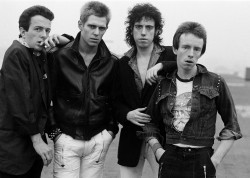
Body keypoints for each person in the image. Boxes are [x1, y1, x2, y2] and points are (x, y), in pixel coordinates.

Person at [141, 21, 242, 178]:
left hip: (202, 160)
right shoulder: (163, 84)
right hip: (169, 157)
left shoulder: (216, 82)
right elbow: (149, 124)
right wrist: (158, 151)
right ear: (175, 49)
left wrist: (214, 161)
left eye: (197, 49)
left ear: (201, 52)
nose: (191, 53)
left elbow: (233, 127)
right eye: (186, 47)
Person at [47, 1, 119, 178]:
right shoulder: (59, 56)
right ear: (80, 24)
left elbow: (114, 100)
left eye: (102, 28)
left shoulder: (112, 62)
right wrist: (55, 132)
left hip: (98, 139)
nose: (96, 32)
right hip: (66, 137)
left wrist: (110, 131)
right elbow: (46, 97)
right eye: (91, 26)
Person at [112, 3, 176, 178]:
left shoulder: (170, 55)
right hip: (131, 137)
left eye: (149, 27)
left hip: (162, 137)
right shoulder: (122, 63)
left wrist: (163, 65)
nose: (143, 32)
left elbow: (194, 66)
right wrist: (127, 114)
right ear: (131, 29)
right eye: (138, 26)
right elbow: (115, 101)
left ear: (156, 31)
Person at [0, 5, 54, 178]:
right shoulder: (16, 53)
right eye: (38, 29)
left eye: (47, 30)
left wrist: (63, 39)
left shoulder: (37, 54)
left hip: (31, 152)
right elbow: (21, 102)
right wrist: (37, 140)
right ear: (23, 32)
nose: (44, 35)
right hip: (15, 150)